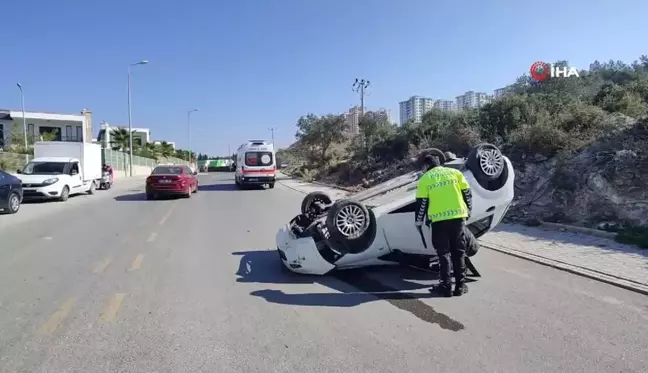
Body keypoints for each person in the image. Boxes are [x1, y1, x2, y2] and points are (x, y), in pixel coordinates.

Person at [414, 154, 473, 297]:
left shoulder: (425, 179)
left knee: (444, 253)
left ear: (426, 166)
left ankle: (446, 286)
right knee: (459, 252)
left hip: (439, 221)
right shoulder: (455, 173)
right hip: (458, 218)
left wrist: (418, 222)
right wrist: (468, 211)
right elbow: (467, 193)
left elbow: (422, 203)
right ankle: (460, 286)